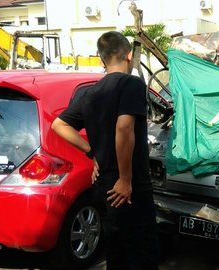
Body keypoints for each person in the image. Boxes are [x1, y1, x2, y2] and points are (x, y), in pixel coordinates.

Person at [51, 31, 158, 270]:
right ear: (129, 55)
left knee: (117, 255)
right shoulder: (132, 83)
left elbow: (59, 124)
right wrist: (126, 179)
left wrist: (93, 152)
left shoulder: (91, 92)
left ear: (102, 60)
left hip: (103, 187)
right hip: (130, 189)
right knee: (142, 256)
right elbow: (124, 128)